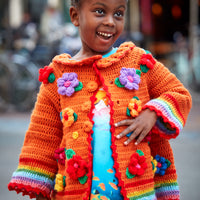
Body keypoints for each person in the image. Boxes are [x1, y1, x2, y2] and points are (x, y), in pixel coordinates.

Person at [8, 0, 192, 199]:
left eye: (118, 14)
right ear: (75, 16)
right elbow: (42, 140)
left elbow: (179, 94)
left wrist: (152, 113)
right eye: (99, 11)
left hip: (137, 192)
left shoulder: (139, 63)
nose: (110, 21)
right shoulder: (57, 77)